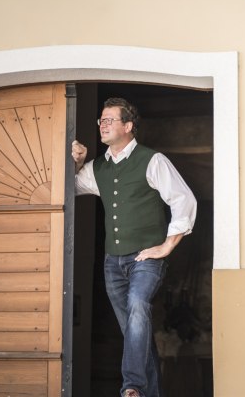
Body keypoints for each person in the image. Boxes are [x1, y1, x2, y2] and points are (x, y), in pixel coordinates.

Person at [72, 97, 197, 397]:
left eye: (110, 120)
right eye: (101, 120)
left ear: (128, 126)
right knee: (135, 334)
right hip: (112, 263)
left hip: (145, 258)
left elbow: (184, 200)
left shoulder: (152, 160)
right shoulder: (97, 168)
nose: (102, 125)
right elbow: (67, 188)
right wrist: (75, 163)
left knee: (138, 305)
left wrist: (166, 246)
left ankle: (132, 387)